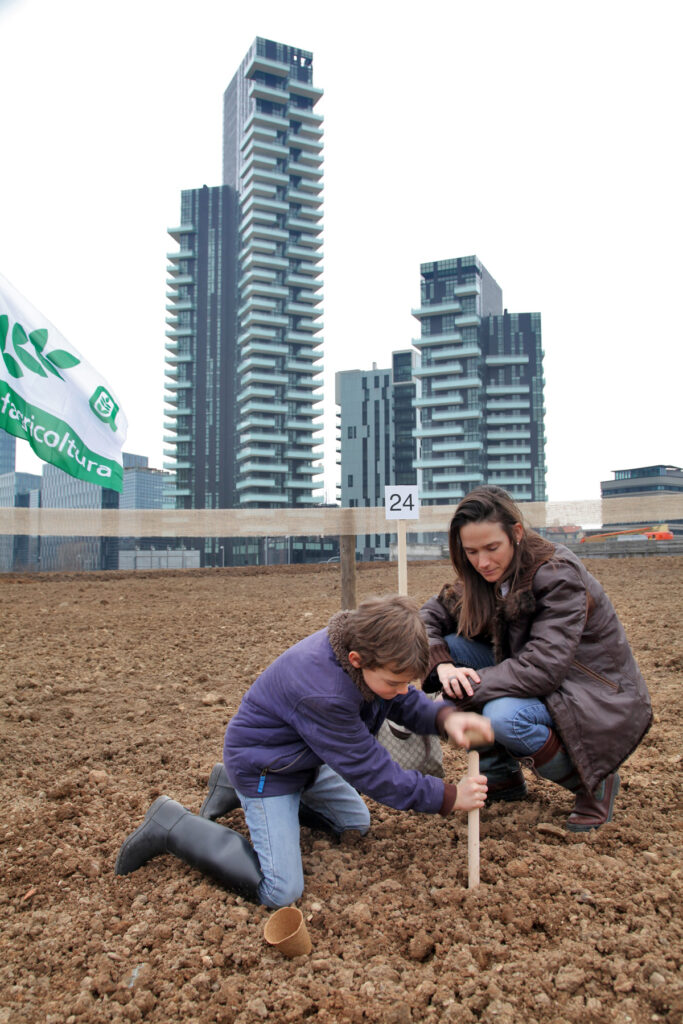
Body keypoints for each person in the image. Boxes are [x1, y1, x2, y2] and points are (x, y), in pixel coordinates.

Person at [115, 595, 492, 906]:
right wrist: (448, 796)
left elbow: (401, 698)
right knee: (280, 891)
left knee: (355, 825)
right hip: (266, 769)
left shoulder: (363, 653)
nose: (400, 688)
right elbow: (373, 772)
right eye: (394, 681)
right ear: (359, 662)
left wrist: (445, 719)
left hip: (303, 758)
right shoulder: (325, 691)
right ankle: (171, 824)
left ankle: (229, 785)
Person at [420, 486, 652, 832]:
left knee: (504, 717)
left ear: (515, 534)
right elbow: (428, 616)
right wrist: (443, 666)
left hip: (589, 687)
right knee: (454, 650)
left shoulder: (556, 575)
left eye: (491, 548)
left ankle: (593, 785)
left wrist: (463, 690)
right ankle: (501, 776)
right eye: (471, 551)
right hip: (532, 672)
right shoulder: (483, 576)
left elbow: (543, 668)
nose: (482, 561)